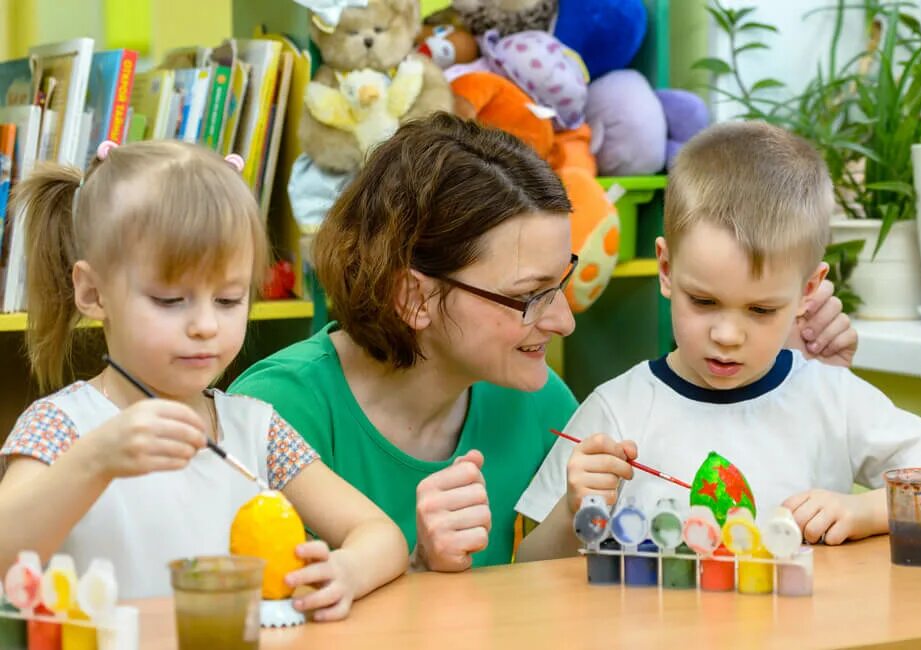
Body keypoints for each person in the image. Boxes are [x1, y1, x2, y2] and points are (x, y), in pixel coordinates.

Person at [231, 113, 861, 572]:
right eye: (531, 294)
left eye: (562, 282)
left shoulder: (543, 406)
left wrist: (789, 369)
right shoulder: (273, 413)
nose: (564, 321)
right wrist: (418, 566)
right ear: (414, 297)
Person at [514, 121, 921, 562]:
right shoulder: (617, 410)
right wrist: (571, 511)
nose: (727, 336)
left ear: (808, 291)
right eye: (703, 301)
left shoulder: (831, 397)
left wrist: (866, 511)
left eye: (761, 310)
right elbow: (529, 571)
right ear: (666, 269)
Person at [0, 140, 408, 619]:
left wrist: (347, 571)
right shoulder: (62, 426)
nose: (205, 326)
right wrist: (95, 460)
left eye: (229, 299)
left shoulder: (256, 426)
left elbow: (381, 535)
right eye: (171, 300)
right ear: (92, 292)